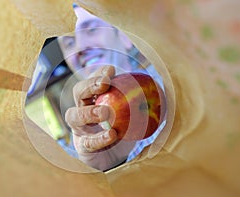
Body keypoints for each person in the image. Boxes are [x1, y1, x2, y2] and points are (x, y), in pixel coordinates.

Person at [58, 5, 166, 171]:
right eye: (69, 42)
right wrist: (108, 172)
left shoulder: (176, 88)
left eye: (92, 29)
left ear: (125, 36)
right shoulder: (79, 156)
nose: (80, 47)